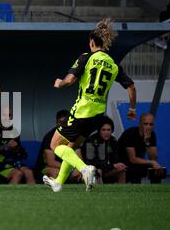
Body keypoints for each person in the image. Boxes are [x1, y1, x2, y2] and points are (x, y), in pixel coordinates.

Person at [43, 18, 137, 192]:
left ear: (92, 42)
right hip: (97, 115)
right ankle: (58, 183)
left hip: (82, 111)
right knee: (71, 147)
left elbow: (70, 80)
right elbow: (131, 86)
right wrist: (132, 109)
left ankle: (84, 169)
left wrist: (60, 83)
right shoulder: (113, 64)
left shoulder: (87, 57)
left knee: (55, 145)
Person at [0, 107, 36, 184]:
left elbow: (17, 150)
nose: (7, 118)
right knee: (18, 174)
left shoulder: (14, 130)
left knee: (29, 172)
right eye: (4, 115)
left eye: (9, 115)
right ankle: (9, 196)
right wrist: (6, 147)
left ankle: (34, 196)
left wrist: (16, 149)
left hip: (12, 163)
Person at [33, 109, 82, 183]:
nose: (62, 125)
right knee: (54, 172)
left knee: (81, 173)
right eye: (60, 122)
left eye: (65, 122)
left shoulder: (74, 136)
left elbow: (79, 157)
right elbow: (51, 162)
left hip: (67, 167)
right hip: (46, 167)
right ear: (56, 123)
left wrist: (78, 169)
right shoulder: (50, 137)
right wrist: (71, 169)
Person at [118, 113, 166, 184]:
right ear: (140, 124)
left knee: (157, 169)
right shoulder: (130, 133)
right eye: (145, 124)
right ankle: (135, 191)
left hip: (137, 161)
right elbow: (133, 159)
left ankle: (156, 191)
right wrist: (152, 162)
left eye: (151, 124)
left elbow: (153, 157)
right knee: (137, 168)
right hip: (122, 162)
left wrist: (147, 142)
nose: (148, 127)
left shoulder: (152, 135)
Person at [81, 116, 126, 184]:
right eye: (103, 130)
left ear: (111, 131)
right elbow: (91, 163)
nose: (106, 132)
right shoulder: (91, 141)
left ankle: (122, 193)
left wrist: (119, 165)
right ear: (99, 130)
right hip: (94, 170)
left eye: (108, 130)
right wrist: (113, 165)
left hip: (107, 170)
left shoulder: (113, 141)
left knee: (122, 170)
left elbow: (115, 159)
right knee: (98, 171)